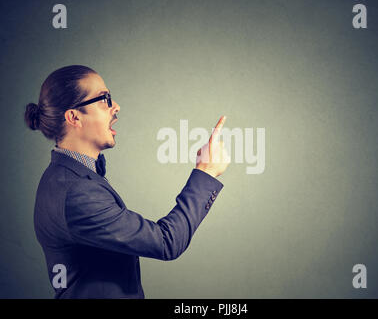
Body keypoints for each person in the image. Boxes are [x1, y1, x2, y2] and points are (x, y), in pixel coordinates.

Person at [24, 65, 230, 299]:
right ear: (74, 117)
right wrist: (207, 172)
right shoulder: (76, 192)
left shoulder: (66, 177)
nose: (116, 107)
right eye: (104, 99)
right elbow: (166, 242)